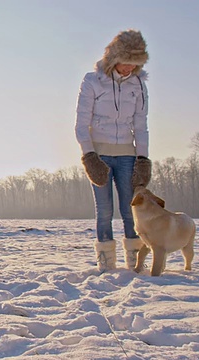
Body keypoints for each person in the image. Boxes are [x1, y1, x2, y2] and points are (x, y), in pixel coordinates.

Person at [74, 29, 152, 272]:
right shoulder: (92, 81)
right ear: (115, 57)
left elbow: (141, 124)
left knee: (131, 208)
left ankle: (135, 258)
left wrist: (142, 158)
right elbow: (80, 123)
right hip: (100, 154)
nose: (129, 68)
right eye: (126, 61)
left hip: (127, 155)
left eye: (135, 63)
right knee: (105, 209)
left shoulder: (138, 84)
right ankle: (106, 260)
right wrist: (89, 155)